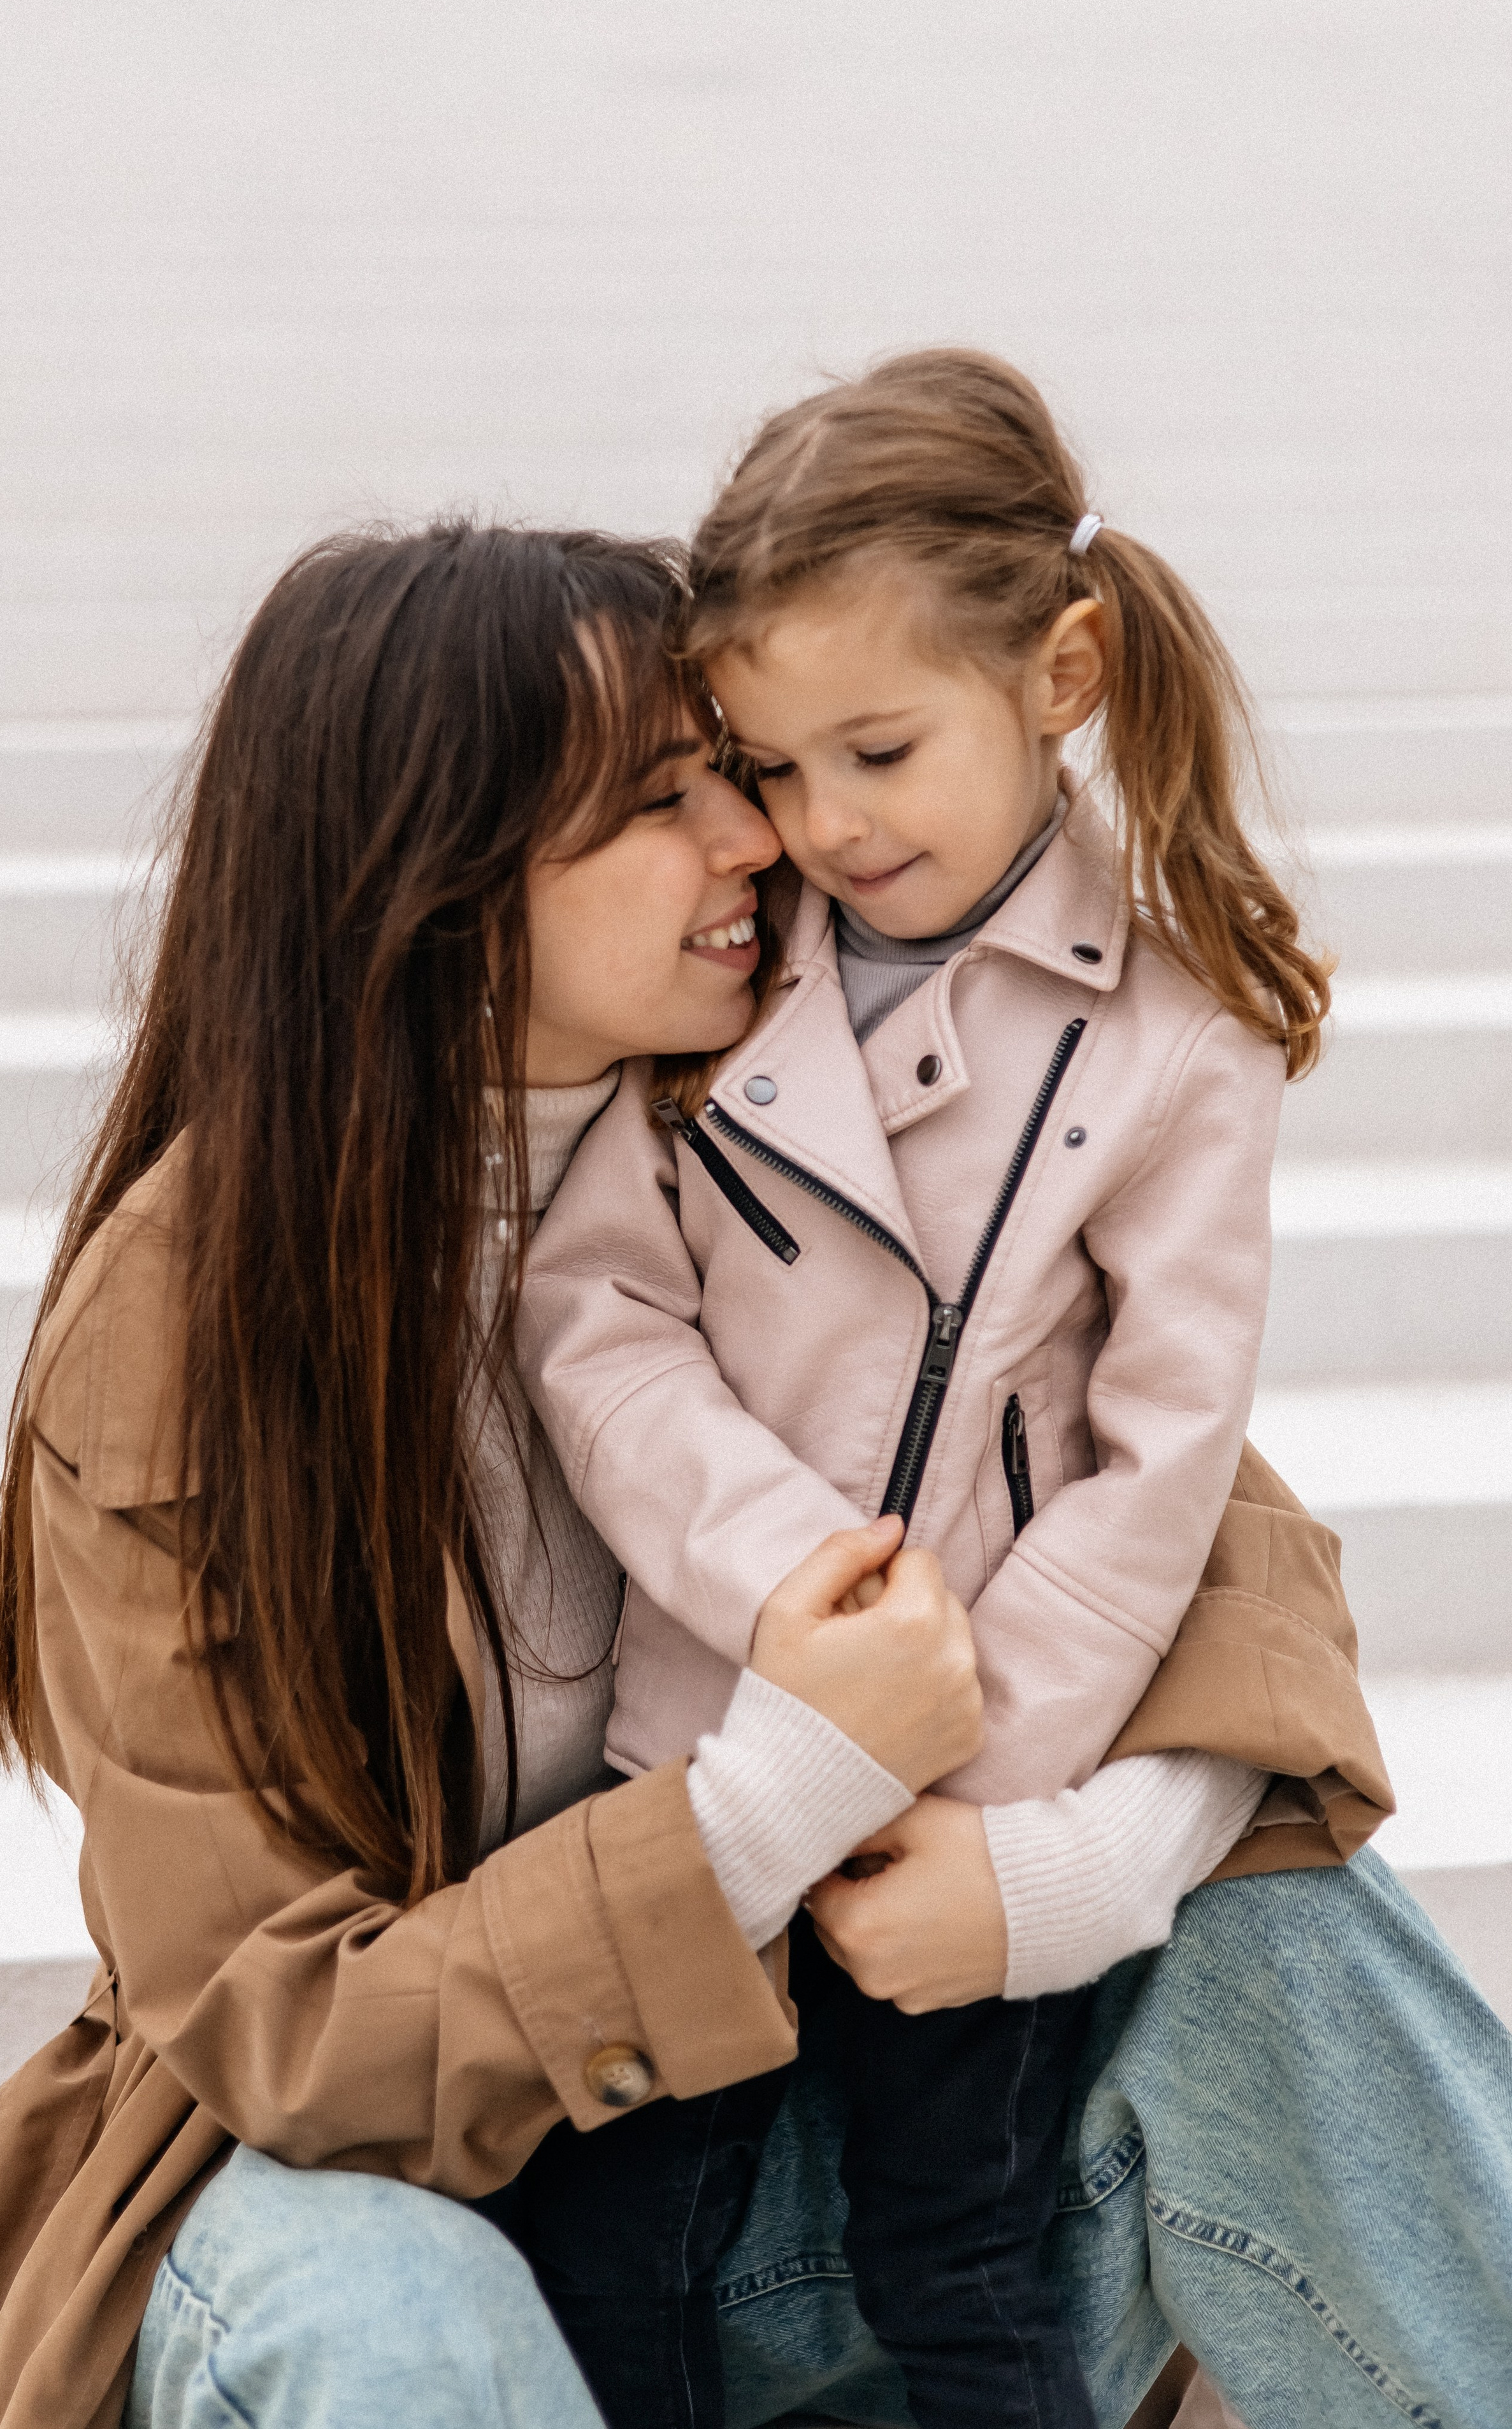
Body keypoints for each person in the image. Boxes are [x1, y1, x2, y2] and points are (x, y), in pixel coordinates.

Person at [0, 517, 1441, 2429]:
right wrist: (774, 1795)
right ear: (435, 878)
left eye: (742, 771)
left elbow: (1214, 1553)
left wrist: (1088, 1865)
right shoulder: (193, 1323)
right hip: (352, 2204)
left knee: (1292, 1934)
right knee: (403, 2304)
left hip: (771, 2174)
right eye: (661, 800)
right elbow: (290, 2036)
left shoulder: (778, 1125)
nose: (762, 840)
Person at [514, 349, 1338, 2427]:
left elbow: (1163, 1463)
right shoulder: (727, 970)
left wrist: (977, 1760)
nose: (819, 824)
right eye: (773, 767)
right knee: (621, 2258)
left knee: (964, 2266)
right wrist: (796, 1590)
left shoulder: (1177, 1037)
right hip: (700, 1764)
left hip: (971, 1813)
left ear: (1060, 672)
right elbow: (597, 1313)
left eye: (876, 750)